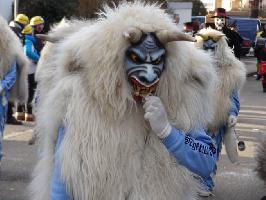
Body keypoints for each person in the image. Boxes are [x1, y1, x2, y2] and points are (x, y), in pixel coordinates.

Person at [9, 14, 29, 124]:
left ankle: (9, 115)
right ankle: (8, 116)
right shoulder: (15, 31)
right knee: (9, 90)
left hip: (10, 64)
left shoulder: (12, 29)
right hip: (11, 65)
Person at [22, 24, 39, 121]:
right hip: (30, 71)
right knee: (30, 93)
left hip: (25, 70)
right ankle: (28, 114)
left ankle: (21, 113)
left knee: (25, 92)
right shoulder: (28, 41)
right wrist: (39, 58)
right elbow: (28, 52)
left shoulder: (22, 40)